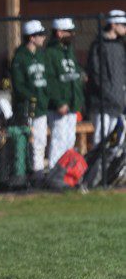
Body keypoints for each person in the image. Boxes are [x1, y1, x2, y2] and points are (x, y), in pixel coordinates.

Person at [10, 20, 49, 182]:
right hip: (26, 107)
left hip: (41, 105)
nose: (43, 38)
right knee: (29, 140)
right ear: (31, 37)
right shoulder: (20, 57)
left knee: (41, 140)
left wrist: (44, 98)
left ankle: (38, 171)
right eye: (40, 35)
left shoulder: (40, 55)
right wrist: (31, 97)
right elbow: (18, 86)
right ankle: (27, 171)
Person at [45, 18, 85, 168]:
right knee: (59, 140)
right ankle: (55, 172)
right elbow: (50, 81)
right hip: (59, 106)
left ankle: (66, 173)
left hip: (72, 105)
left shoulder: (69, 52)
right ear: (60, 33)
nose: (72, 34)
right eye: (69, 32)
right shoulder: (50, 53)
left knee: (69, 141)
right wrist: (59, 102)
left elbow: (73, 74)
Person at [86, 9, 126, 145]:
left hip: (118, 103)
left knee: (116, 139)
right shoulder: (98, 45)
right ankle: (99, 165)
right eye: (123, 25)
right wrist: (109, 93)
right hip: (102, 102)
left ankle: (111, 166)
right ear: (113, 25)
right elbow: (96, 73)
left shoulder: (121, 46)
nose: (125, 28)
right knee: (101, 139)